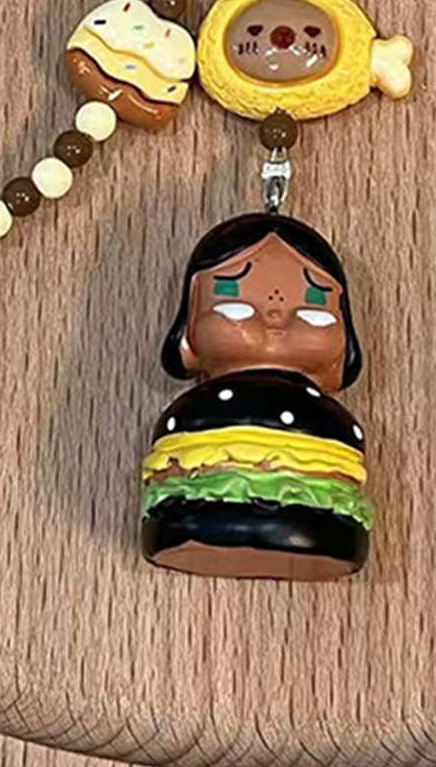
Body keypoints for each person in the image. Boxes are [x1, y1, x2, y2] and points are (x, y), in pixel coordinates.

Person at [140, 213, 373, 579]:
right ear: (188, 332)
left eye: (314, 298)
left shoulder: (332, 417)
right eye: (231, 291)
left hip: (322, 516)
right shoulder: (189, 410)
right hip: (193, 510)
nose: (275, 312)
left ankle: (322, 529)